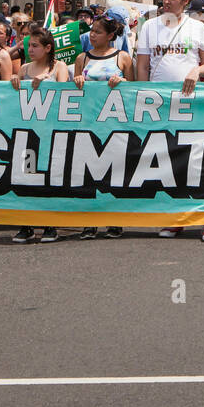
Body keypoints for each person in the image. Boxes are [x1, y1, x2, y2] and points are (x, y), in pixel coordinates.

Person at [136, 0, 204, 240]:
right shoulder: (149, 27)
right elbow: (143, 67)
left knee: (198, 157)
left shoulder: (197, 27)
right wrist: (142, 97)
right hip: (161, 104)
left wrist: (196, 70)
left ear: (184, 1)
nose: (166, 1)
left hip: (192, 103)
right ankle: (178, 217)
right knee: (170, 160)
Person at [72, 14, 136, 241]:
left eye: (98, 32)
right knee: (88, 171)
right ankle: (89, 221)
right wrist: (77, 82)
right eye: (92, 30)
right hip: (88, 120)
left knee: (114, 169)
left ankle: (115, 219)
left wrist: (123, 83)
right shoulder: (82, 58)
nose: (93, 35)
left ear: (110, 36)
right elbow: (73, 91)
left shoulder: (123, 58)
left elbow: (134, 90)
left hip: (114, 122)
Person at [10, 27, 71, 244]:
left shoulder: (59, 67)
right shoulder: (25, 68)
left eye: (35, 45)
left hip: (51, 131)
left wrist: (46, 81)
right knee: (27, 176)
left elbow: (64, 93)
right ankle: (26, 224)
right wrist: (14, 82)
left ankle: (49, 224)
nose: (31, 49)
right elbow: (13, 95)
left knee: (48, 177)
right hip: (29, 131)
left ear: (48, 48)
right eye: (29, 45)